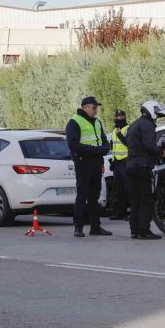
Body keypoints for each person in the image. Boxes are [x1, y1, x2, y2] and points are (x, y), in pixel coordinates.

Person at [65, 96, 112, 238]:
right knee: (82, 195)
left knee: (94, 196)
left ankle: (95, 227)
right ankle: (78, 228)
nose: (96, 110)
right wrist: (93, 150)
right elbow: (73, 144)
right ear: (85, 107)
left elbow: (104, 142)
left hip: (97, 162)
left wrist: (103, 149)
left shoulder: (97, 122)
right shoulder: (74, 122)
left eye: (96, 107)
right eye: (94, 107)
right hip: (83, 162)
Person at [126, 100, 165, 240]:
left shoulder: (135, 124)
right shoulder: (147, 125)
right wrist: (162, 152)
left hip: (131, 165)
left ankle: (135, 231)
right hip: (143, 166)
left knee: (135, 200)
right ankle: (144, 230)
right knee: (146, 199)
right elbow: (149, 145)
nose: (157, 116)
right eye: (156, 113)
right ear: (151, 111)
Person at [109, 110, 131, 221]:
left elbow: (129, 143)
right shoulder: (114, 130)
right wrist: (112, 162)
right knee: (119, 189)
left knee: (129, 188)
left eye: (121, 116)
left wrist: (120, 135)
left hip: (125, 161)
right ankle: (120, 212)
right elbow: (113, 147)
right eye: (117, 116)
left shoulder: (128, 129)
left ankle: (131, 212)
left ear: (125, 117)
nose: (119, 118)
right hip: (117, 163)